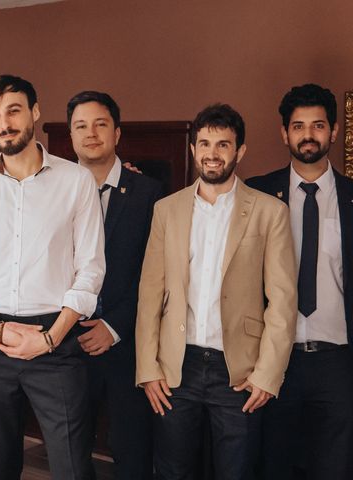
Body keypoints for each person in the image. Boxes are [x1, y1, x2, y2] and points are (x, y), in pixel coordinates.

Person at [0, 75, 105, 480]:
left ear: (34, 112)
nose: (4, 123)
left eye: (13, 110)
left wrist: (49, 337)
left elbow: (91, 270)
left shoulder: (76, 181)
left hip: (57, 340)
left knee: (72, 467)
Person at [136, 103, 297, 479]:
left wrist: (267, 375)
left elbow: (283, 300)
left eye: (223, 145)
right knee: (173, 471)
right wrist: (147, 367)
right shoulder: (167, 210)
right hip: (177, 367)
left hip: (239, 371)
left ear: (239, 151)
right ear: (193, 149)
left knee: (236, 472)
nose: (212, 153)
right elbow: (149, 295)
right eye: (205, 143)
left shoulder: (269, 212)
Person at [246, 83, 353, 479]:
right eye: (298, 126)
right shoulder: (256, 193)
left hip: (338, 362)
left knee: (336, 466)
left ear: (334, 131)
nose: (308, 134)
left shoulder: (350, 197)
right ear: (284, 133)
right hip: (275, 359)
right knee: (272, 463)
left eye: (318, 125)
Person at [67, 90, 161, 479]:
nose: (91, 134)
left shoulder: (151, 194)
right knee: (70, 453)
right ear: (71, 136)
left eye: (100, 124)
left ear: (117, 133)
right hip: (66, 342)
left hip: (128, 346)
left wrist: (114, 326)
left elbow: (156, 274)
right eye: (81, 126)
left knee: (132, 452)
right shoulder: (51, 191)